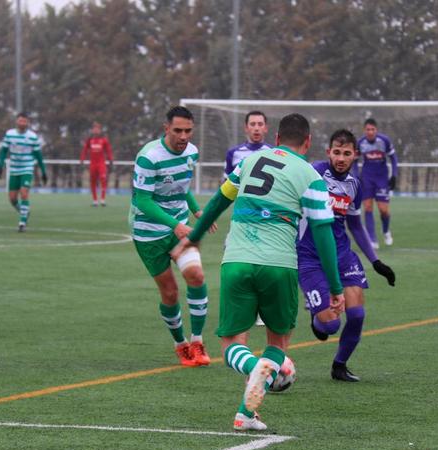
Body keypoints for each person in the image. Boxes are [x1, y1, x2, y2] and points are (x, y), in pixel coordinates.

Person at [173, 113, 345, 431]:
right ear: (307, 143)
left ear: (276, 139)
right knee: (277, 343)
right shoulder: (311, 176)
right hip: (279, 265)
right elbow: (323, 232)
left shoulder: (250, 162)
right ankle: (258, 375)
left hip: (236, 260)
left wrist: (193, 239)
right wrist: (335, 287)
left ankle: (246, 411)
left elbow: (219, 201)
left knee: (229, 344)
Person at [299, 129, 395, 382]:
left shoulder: (355, 184)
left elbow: (354, 225)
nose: (341, 158)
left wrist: (376, 261)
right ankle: (316, 314)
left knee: (357, 314)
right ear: (329, 152)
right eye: (337, 152)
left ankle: (339, 365)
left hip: (342, 255)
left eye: (347, 153)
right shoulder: (313, 173)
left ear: (355, 156)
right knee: (330, 326)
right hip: (309, 256)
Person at [129, 105, 214, 368]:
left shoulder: (192, 153)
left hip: (180, 227)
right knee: (170, 292)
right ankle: (181, 344)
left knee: (196, 277)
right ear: (166, 129)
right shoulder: (148, 158)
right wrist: (174, 225)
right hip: (149, 233)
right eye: (177, 130)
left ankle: (197, 341)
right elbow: (142, 201)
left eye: (188, 130)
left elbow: (181, 186)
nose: (183, 136)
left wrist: (196, 210)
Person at [224, 110, 274, 326]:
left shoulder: (274, 153)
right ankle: (242, 309)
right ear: (246, 128)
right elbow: (227, 187)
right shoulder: (234, 154)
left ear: (266, 128)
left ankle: (263, 311)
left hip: (266, 218)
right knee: (237, 263)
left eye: (260, 124)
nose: (256, 127)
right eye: (252, 124)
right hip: (241, 218)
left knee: (263, 263)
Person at [0, 112, 47, 232]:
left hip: (27, 168)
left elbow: (38, 155)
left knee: (24, 193)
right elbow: (3, 151)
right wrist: (0, 165)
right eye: (20, 121)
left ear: (28, 123)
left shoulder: (33, 137)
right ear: (16, 122)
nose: (22, 123)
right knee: (12, 199)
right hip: (14, 169)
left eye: (25, 121)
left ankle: (22, 223)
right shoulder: (9, 134)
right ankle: (25, 212)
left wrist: (43, 171)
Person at [356, 118, 398, 249]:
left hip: (382, 179)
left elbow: (393, 158)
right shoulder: (360, 143)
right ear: (364, 130)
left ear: (376, 130)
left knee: (383, 210)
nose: (370, 132)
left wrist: (394, 175)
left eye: (372, 129)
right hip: (367, 178)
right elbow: (354, 162)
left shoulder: (384, 141)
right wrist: (357, 176)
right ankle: (372, 239)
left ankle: (386, 231)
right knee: (368, 207)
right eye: (367, 129)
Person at [79, 121, 114, 207]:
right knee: (93, 181)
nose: (96, 130)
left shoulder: (104, 140)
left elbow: (108, 150)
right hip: (93, 164)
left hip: (101, 164)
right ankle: (95, 201)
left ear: (100, 130)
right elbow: (84, 150)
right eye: (94, 128)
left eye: (97, 128)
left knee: (103, 179)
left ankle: (102, 200)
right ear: (92, 130)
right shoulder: (90, 140)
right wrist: (82, 159)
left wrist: (111, 160)